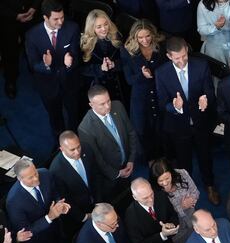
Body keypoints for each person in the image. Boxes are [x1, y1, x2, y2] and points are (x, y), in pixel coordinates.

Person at [155, 37, 219, 205]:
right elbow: (163, 103)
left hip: (200, 121)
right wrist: (174, 106)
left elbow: (210, 91)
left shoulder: (201, 65)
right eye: (177, 58)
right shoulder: (161, 73)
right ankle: (187, 190)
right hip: (179, 126)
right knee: (184, 161)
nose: (182, 60)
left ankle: (210, 185)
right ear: (169, 56)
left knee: (205, 156)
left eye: (184, 56)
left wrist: (206, 99)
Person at [24, 0, 81, 136]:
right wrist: (46, 65)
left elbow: (77, 55)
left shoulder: (72, 28)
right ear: (45, 17)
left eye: (62, 17)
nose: (60, 22)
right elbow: (33, 64)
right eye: (56, 19)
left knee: (75, 115)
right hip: (48, 85)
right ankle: (60, 144)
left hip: (70, 82)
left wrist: (70, 62)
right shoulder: (32, 35)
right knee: (55, 118)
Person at [5, 159, 69, 243]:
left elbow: (55, 193)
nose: (36, 178)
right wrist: (49, 217)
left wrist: (60, 204)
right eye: (30, 177)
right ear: (20, 179)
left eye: (35, 173)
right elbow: (26, 232)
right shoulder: (13, 201)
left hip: (57, 232)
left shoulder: (44, 173)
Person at [77, 85, 139, 202]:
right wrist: (117, 173)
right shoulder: (85, 129)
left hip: (127, 166)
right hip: (109, 178)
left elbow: (131, 133)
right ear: (91, 105)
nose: (108, 106)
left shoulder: (118, 107)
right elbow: (96, 158)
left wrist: (131, 159)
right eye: (102, 104)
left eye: (108, 101)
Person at [121, 19, 167, 163]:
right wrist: (142, 75)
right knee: (143, 130)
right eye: (140, 37)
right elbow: (129, 79)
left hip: (159, 93)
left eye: (147, 36)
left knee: (161, 127)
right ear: (135, 38)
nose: (145, 40)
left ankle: (165, 157)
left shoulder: (161, 47)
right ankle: (150, 160)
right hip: (141, 97)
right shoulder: (127, 51)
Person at [49, 131, 102, 238]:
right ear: (62, 149)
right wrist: (84, 217)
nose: (77, 152)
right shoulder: (56, 170)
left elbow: (96, 176)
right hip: (78, 214)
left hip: (96, 203)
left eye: (78, 147)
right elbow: (65, 199)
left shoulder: (86, 148)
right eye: (72, 150)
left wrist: (99, 203)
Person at [126, 178, 180, 243]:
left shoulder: (161, 195)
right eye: (145, 198)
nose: (151, 200)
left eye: (151, 194)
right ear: (135, 197)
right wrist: (162, 235)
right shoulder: (130, 216)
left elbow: (173, 215)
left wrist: (172, 224)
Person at [151, 158, 200, 243]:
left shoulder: (182, 174)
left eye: (167, 178)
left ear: (172, 173)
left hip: (191, 216)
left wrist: (191, 200)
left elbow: (196, 192)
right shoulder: (154, 191)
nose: (165, 183)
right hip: (174, 225)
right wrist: (181, 207)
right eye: (160, 180)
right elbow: (162, 215)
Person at [79, 9, 124, 103]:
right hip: (97, 86)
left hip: (118, 84)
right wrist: (100, 68)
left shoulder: (117, 36)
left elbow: (126, 61)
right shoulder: (85, 43)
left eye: (106, 24)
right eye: (99, 27)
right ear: (92, 28)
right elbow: (82, 69)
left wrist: (114, 64)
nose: (104, 29)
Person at [0, 0, 37, 99]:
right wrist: (15, 16)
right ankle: (10, 80)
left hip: (31, 15)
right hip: (7, 20)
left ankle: (37, 71)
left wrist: (34, 7)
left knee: (34, 46)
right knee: (9, 50)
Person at [197, 0, 230, 65]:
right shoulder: (203, 4)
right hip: (213, 49)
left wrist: (226, 24)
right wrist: (216, 27)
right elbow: (201, 30)